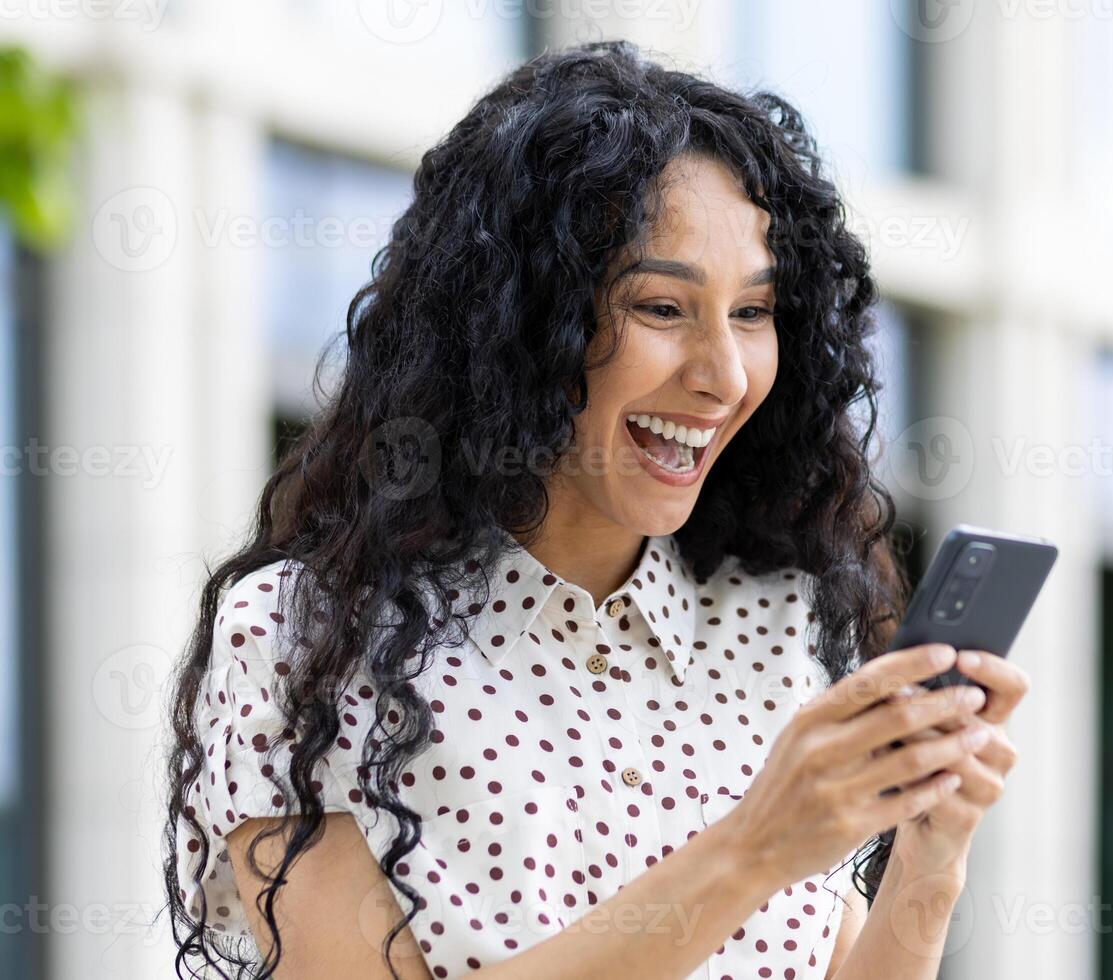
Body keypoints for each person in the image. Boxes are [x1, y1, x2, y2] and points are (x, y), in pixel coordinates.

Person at [163, 38, 1029, 980]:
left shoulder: (780, 621)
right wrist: (751, 851)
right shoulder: (301, 638)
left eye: (752, 313)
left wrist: (929, 865)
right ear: (523, 323)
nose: (725, 376)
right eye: (662, 308)